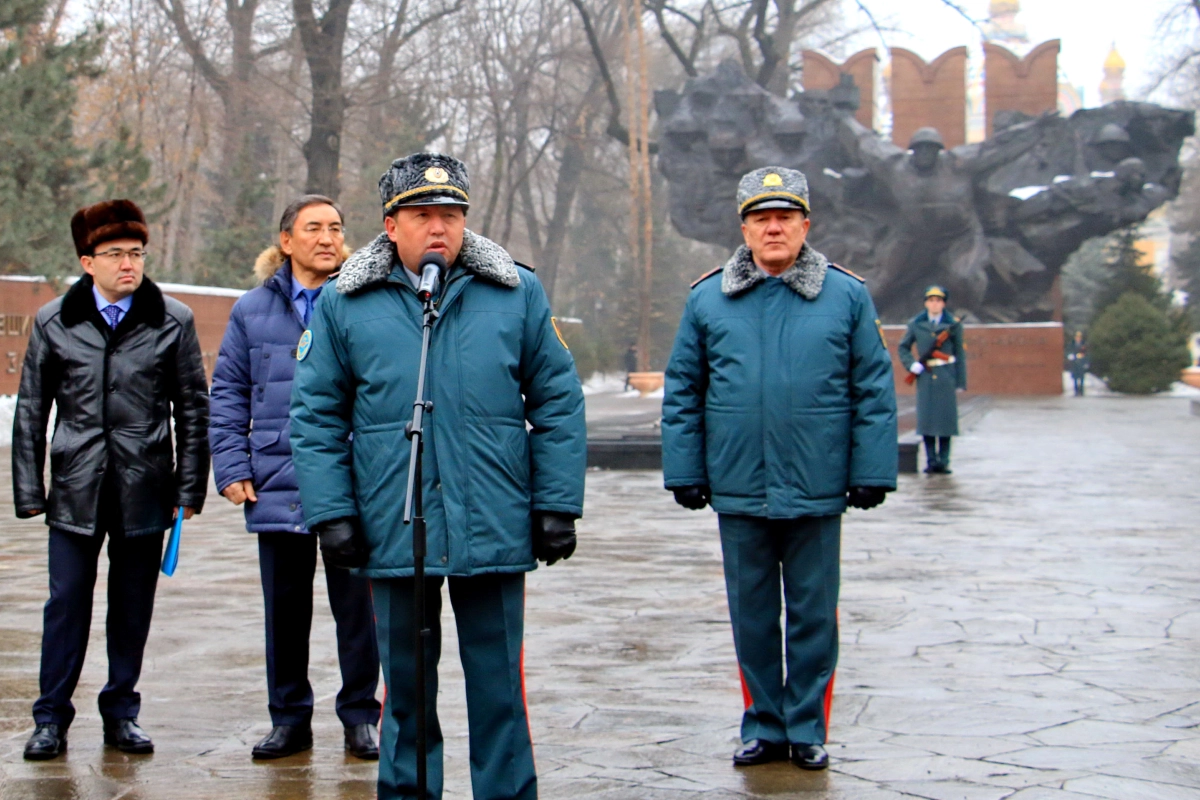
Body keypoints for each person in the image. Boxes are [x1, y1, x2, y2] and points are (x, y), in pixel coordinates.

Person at [289, 153, 587, 800]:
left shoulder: (517, 293)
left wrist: (557, 504)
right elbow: (314, 416)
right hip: (395, 528)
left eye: (450, 215)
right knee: (406, 695)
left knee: (499, 690)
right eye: (423, 215)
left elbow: (559, 400)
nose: (439, 229)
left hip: (495, 524)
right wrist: (332, 514)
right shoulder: (345, 302)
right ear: (391, 225)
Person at [661, 167, 898, 771]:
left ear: (805, 225)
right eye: (762, 218)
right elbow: (684, 389)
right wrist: (686, 469)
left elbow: (872, 387)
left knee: (815, 615)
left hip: (817, 485)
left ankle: (807, 727)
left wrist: (871, 468)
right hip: (739, 486)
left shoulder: (845, 296)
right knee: (754, 615)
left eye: (785, 217)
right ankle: (764, 725)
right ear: (744, 227)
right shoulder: (708, 297)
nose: (773, 228)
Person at [12, 199, 210, 760]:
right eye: (116, 254)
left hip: (145, 488)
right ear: (87, 261)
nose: (129, 264)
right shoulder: (56, 320)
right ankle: (50, 717)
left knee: (131, 608)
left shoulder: (171, 321)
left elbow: (193, 409)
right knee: (66, 604)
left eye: (136, 253)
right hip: (76, 488)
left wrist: (189, 488)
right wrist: (30, 492)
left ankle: (121, 712)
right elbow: (32, 409)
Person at [208, 195, 382, 760]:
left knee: (359, 612)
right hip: (276, 478)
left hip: (352, 481)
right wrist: (232, 465)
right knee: (285, 614)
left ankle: (360, 716)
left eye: (336, 228)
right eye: (314, 228)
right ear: (286, 241)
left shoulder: (365, 302)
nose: (328, 238)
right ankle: (289, 719)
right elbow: (229, 392)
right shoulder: (251, 310)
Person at [898, 286, 967, 473]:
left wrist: (960, 381)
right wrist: (912, 365)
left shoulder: (952, 324)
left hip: (946, 375)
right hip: (926, 375)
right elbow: (903, 347)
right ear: (926, 303)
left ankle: (943, 462)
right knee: (927, 421)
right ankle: (930, 460)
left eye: (938, 300)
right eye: (931, 300)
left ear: (944, 303)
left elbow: (959, 352)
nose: (934, 304)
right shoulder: (916, 324)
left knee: (945, 421)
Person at [1066, 329, 1089, 397]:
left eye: (1079, 337)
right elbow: (1068, 351)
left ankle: (1081, 391)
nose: (1078, 338)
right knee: (1075, 378)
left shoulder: (1084, 344)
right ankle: (1076, 390)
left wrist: (1086, 362)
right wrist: (1070, 355)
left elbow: (1087, 353)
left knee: (1081, 378)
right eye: (1077, 337)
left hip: (1081, 363)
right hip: (1074, 363)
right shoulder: (1072, 344)